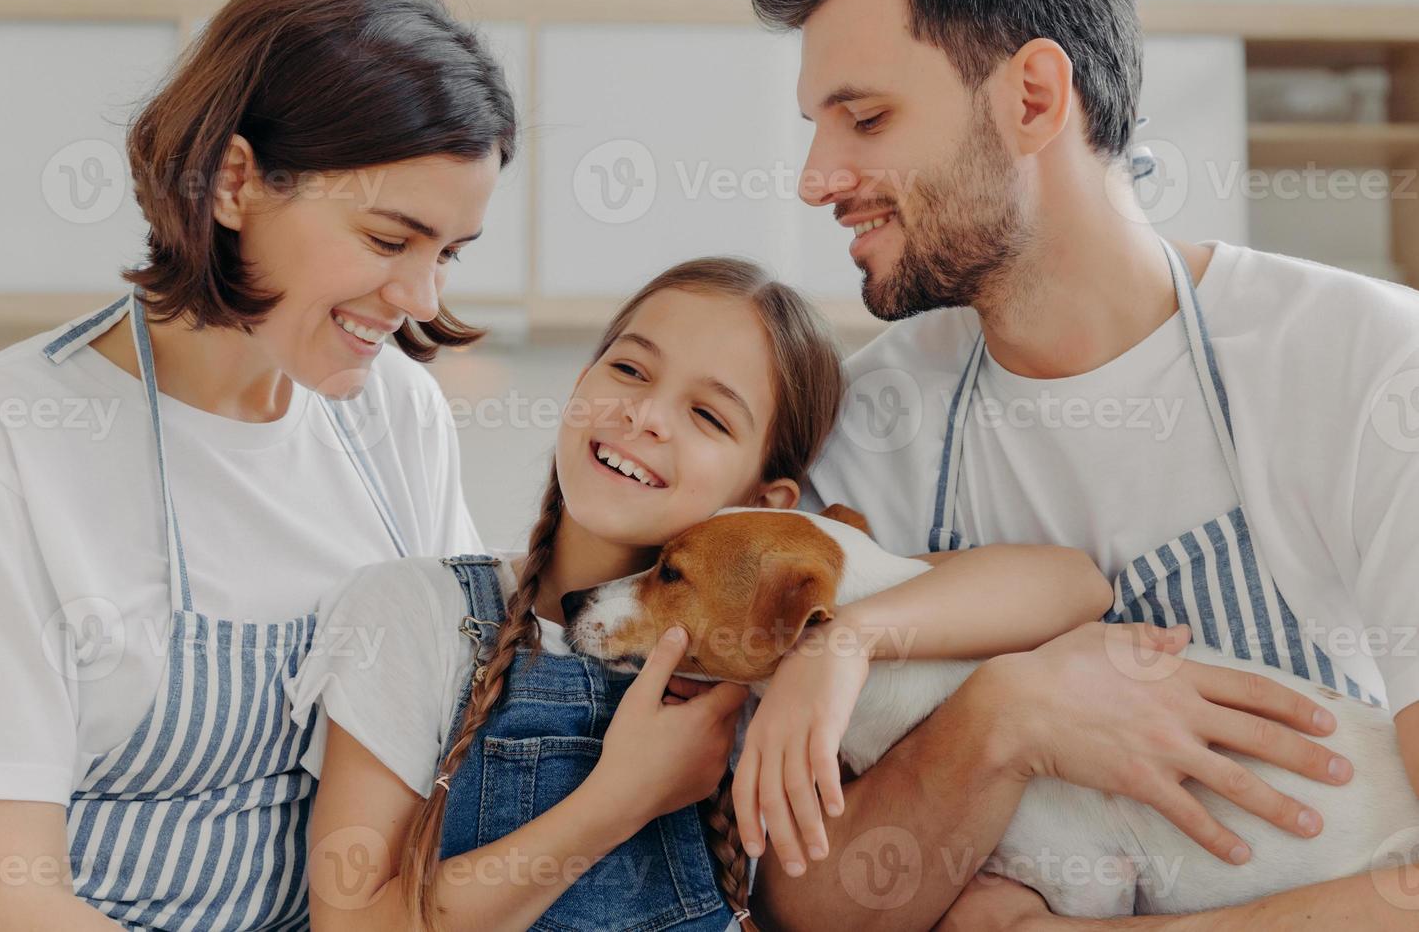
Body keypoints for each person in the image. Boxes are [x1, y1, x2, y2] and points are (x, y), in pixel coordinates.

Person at [735, 0, 1419, 927]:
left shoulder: (1374, 368)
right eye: (816, 126)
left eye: (868, 117)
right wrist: (1006, 715)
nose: (816, 179)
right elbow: (811, 904)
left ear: (1034, 96)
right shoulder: (867, 425)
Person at [291, 256, 1114, 930]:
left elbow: (1072, 584)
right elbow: (354, 924)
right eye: (628, 367)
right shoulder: (414, 613)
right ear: (582, 381)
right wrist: (621, 800)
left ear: (769, 506)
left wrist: (839, 644)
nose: (647, 414)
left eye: (709, 416)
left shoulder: (767, 633)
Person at [0, 0, 515, 929]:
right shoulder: (5, 437)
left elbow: (456, 760)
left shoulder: (399, 418)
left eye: (448, 254)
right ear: (234, 181)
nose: (423, 301)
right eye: (389, 240)